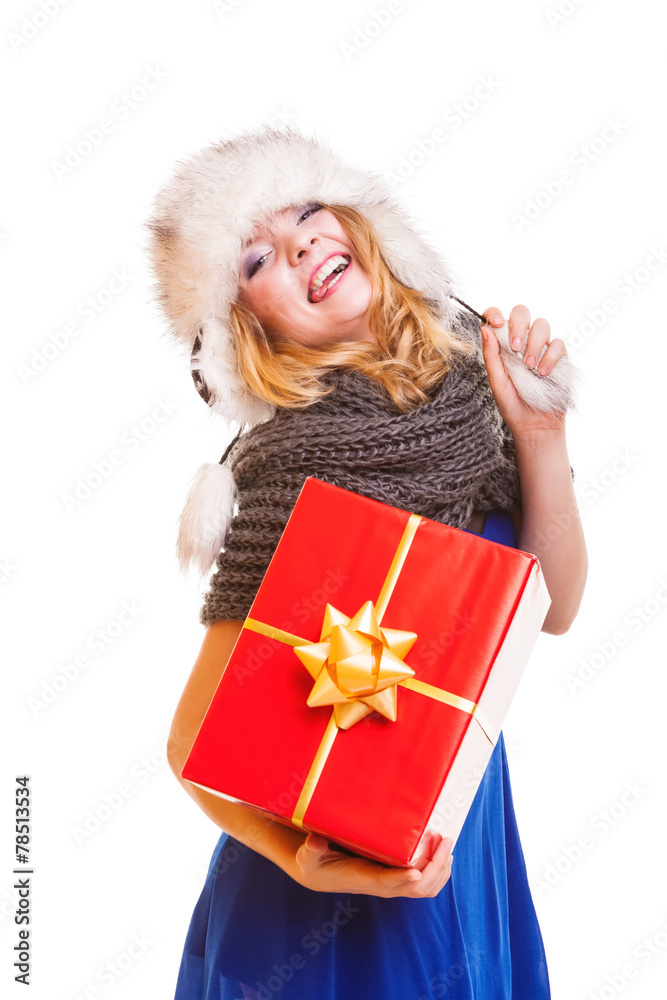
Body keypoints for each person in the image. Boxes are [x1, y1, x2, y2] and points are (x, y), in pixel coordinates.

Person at [145, 126, 587, 1000]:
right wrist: (301, 866)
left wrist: (538, 432)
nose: (300, 241)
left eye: (307, 212)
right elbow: (191, 742)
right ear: (245, 331)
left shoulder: (470, 388)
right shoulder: (288, 472)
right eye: (255, 258)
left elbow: (554, 608)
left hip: (461, 829)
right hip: (318, 905)